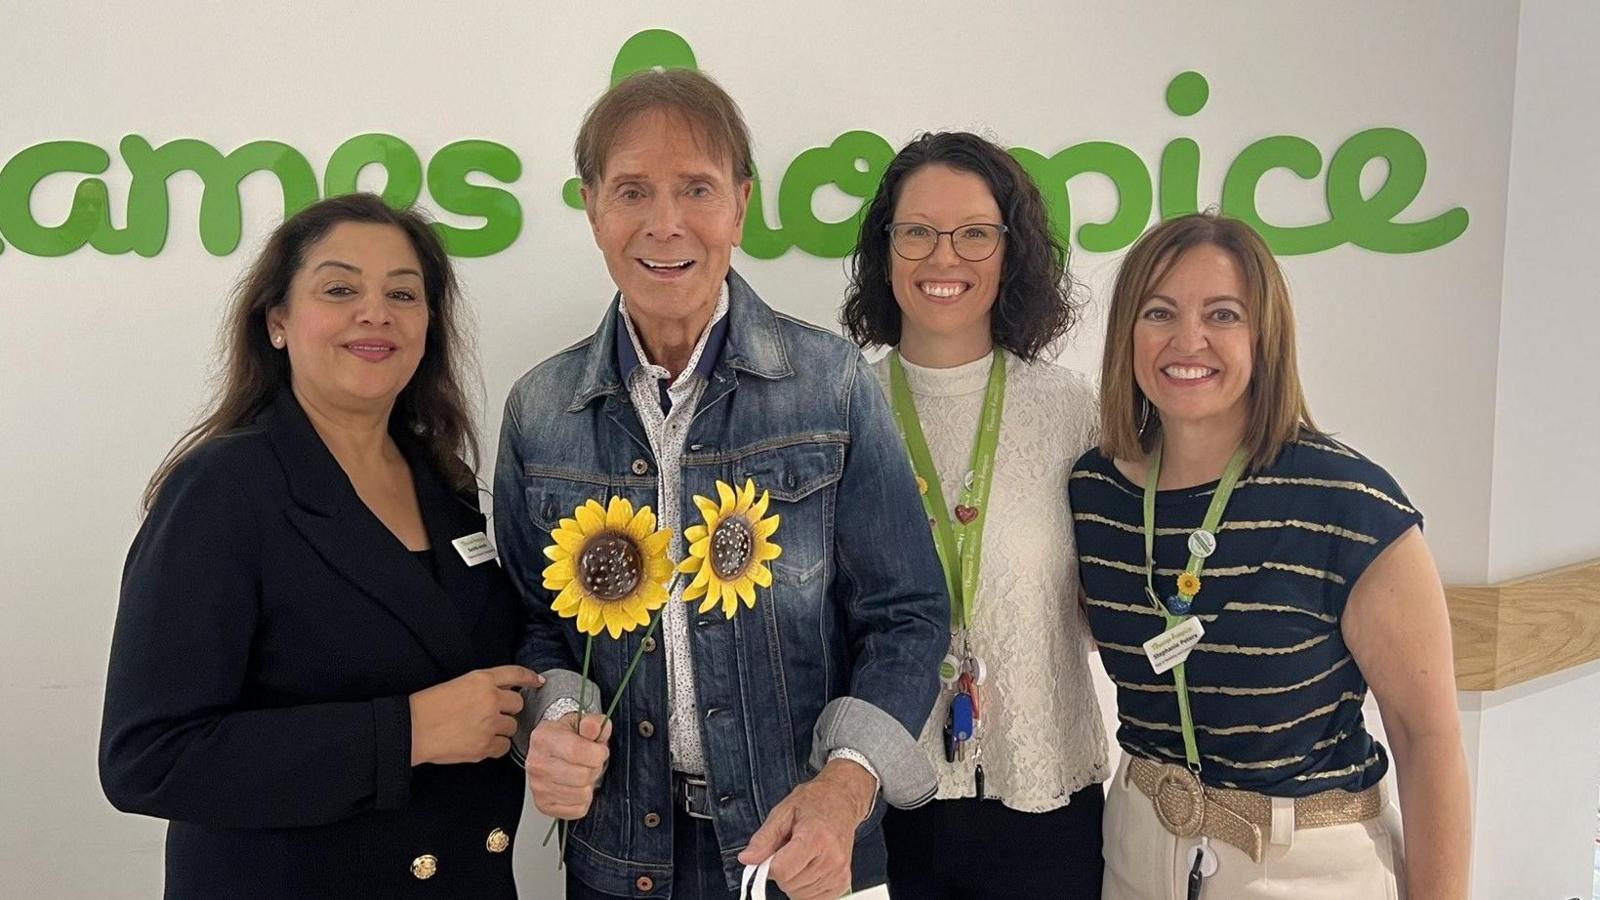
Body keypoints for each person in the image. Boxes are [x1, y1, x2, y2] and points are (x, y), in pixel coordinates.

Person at [496, 68, 949, 900]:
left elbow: (909, 615)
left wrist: (845, 790)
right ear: (592, 206)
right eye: (632, 190)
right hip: (619, 858)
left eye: (696, 189)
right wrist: (553, 723)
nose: (665, 224)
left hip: (806, 851)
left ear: (740, 205)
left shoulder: (832, 385)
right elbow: (533, 623)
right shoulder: (539, 411)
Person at [99, 194, 536, 899]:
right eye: (340, 289)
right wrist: (406, 732)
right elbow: (148, 758)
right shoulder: (222, 491)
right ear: (277, 321)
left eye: (403, 293)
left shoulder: (445, 484)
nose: (376, 312)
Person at [1070, 212, 1470, 899]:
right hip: (1137, 854)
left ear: (1266, 337)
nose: (1186, 339)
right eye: (1159, 311)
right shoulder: (1093, 492)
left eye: (1222, 314)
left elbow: (1425, 739)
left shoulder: (1350, 504)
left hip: (1304, 867)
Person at [840, 130, 1109, 898]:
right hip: (882, 804)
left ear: (1010, 250)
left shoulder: (1069, 411)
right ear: (884, 250)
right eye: (917, 232)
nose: (943, 258)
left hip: (1045, 796)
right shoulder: (841, 406)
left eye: (974, 235)